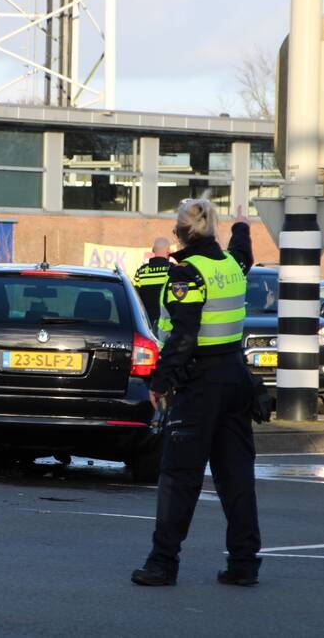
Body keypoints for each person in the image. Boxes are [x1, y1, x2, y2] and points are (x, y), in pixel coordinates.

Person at [132, 199, 261, 588]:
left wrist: (160, 381)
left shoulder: (187, 273)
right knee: (236, 476)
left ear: (180, 234)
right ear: (212, 230)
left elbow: (184, 335)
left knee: (178, 476)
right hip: (236, 380)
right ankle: (243, 564)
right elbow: (243, 253)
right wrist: (242, 227)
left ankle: (162, 564)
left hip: (200, 385)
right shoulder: (231, 267)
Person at [132, 237, 172, 330]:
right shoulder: (173, 270)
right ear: (168, 252)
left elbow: (134, 297)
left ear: (153, 250)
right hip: (168, 326)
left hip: (146, 325)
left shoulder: (141, 272)